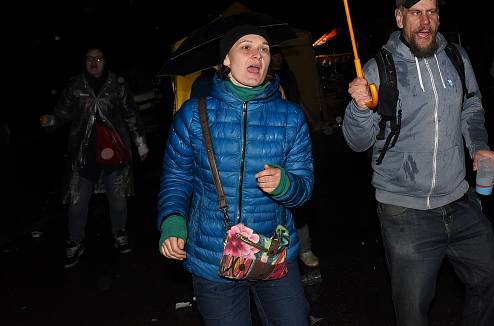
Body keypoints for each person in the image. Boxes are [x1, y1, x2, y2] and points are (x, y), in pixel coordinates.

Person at [343, 0, 494, 326]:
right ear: (400, 18)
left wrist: (479, 147)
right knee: (413, 312)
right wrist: (359, 109)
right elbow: (357, 142)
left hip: (459, 199)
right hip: (405, 211)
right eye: (416, 13)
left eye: (431, 12)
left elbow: (471, 109)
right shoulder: (378, 68)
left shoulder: (456, 58)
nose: (425, 21)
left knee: (491, 279)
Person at [158, 25, 313, 325]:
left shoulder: (291, 117)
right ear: (226, 60)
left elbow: (304, 187)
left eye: (265, 49)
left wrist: (286, 185)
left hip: (274, 252)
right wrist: (172, 219)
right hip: (213, 256)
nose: (257, 54)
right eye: (246, 47)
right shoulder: (193, 115)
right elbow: (176, 177)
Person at [40, 47, 149, 268]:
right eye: (89, 59)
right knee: (77, 203)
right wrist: (51, 120)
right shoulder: (75, 85)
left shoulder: (117, 84)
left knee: (118, 201)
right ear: (84, 62)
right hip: (83, 154)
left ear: (105, 62)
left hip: (114, 153)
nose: (94, 63)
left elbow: (131, 114)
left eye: (98, 59)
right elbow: (63, 112)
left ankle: (120, 233)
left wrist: (140, 143)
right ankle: (75, 241)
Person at [269, 45, 320, 271]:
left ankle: (305, 249)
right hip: (271, 145)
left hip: (291, 140)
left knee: (297, 200)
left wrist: (309, 118)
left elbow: (295, 100)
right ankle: (277, 255)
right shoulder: (265, 79)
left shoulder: (286, 76)